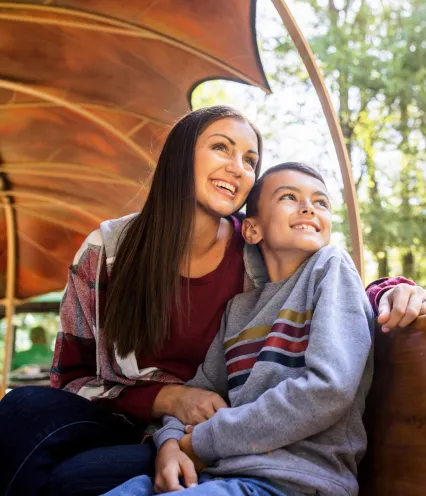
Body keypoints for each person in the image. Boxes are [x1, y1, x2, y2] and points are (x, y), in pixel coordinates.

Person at [0, 106, 424, 496]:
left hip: (214, 435)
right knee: (23, 408)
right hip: (134, 420)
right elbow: (71, 378)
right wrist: (165, 401)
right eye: (221, 147)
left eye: (250, 160)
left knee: (71, 480)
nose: (237, 167)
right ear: (181, 156)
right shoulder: (107, 252)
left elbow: (323, 285)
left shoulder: (255, 246)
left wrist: (391, 290)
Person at [102, 162, 374, 496]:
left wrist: (201, 443)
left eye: (321, 203)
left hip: (295, 479)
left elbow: (328, 389)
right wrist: (171, 443)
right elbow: (202, 388)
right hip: (219, 475)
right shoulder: (239, 309)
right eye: (290, 196)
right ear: (252, 230)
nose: (309, 207)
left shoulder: (330, 268)